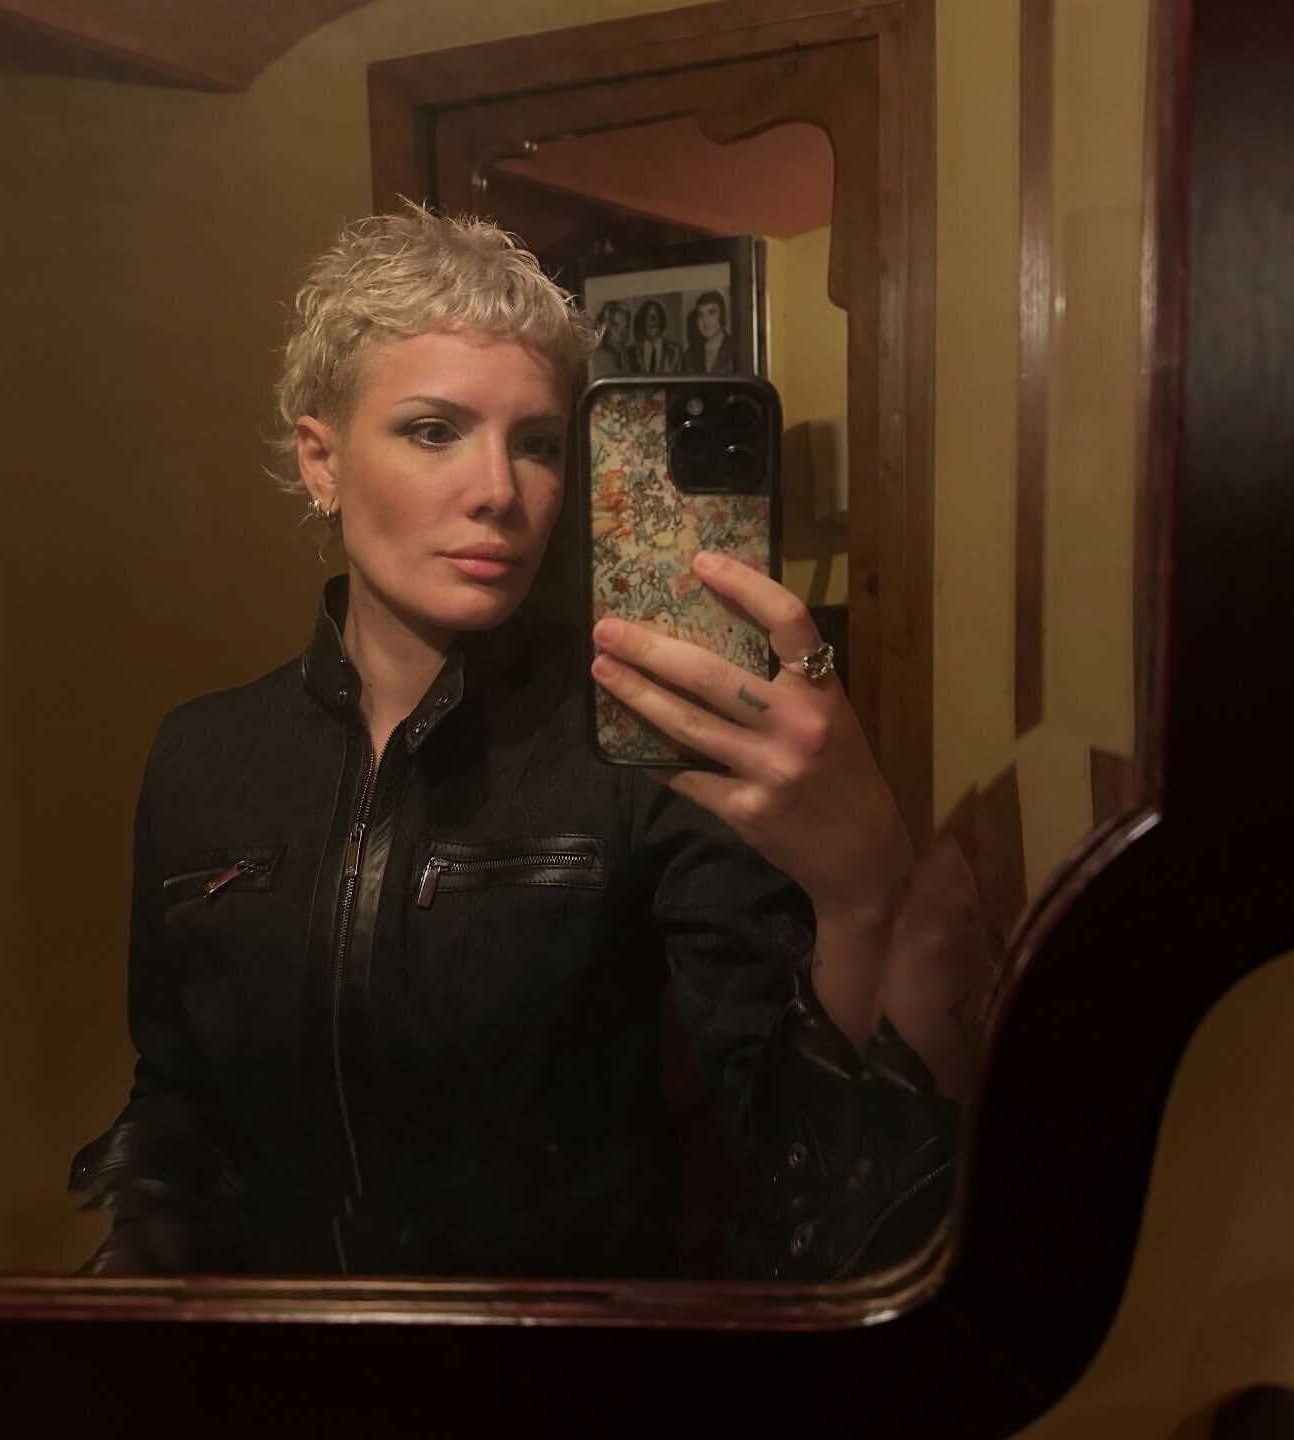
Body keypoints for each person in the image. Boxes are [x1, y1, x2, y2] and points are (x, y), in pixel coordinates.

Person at [69, 205, 982, 1282]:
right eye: (434, 431)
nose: (501, 491)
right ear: (322, 460)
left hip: (555, 1359)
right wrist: (131, 1277)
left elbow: (797, 1172)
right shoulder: (202, 757)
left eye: (538, 444)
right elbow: (177, 1091)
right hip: (274, 1355)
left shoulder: (637, 752)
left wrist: (862, 895)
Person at [624, 297, 682, 375]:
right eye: (649, 316)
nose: (653, 320)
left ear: (662, 320)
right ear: (643, 320)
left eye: (656, 316)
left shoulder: (675, 351)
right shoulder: (631, 352)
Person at [683, 290, 734, 374]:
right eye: (701, 315)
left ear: (722, 315)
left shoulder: (736, 349)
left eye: (712, 313)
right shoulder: (689, 356)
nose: (705, 321)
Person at [589, 299, 631, 378]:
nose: (621, 334)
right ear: (605, 328)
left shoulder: (624, 355)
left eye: (625, 327)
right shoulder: (600, 357)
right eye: (615, 326)